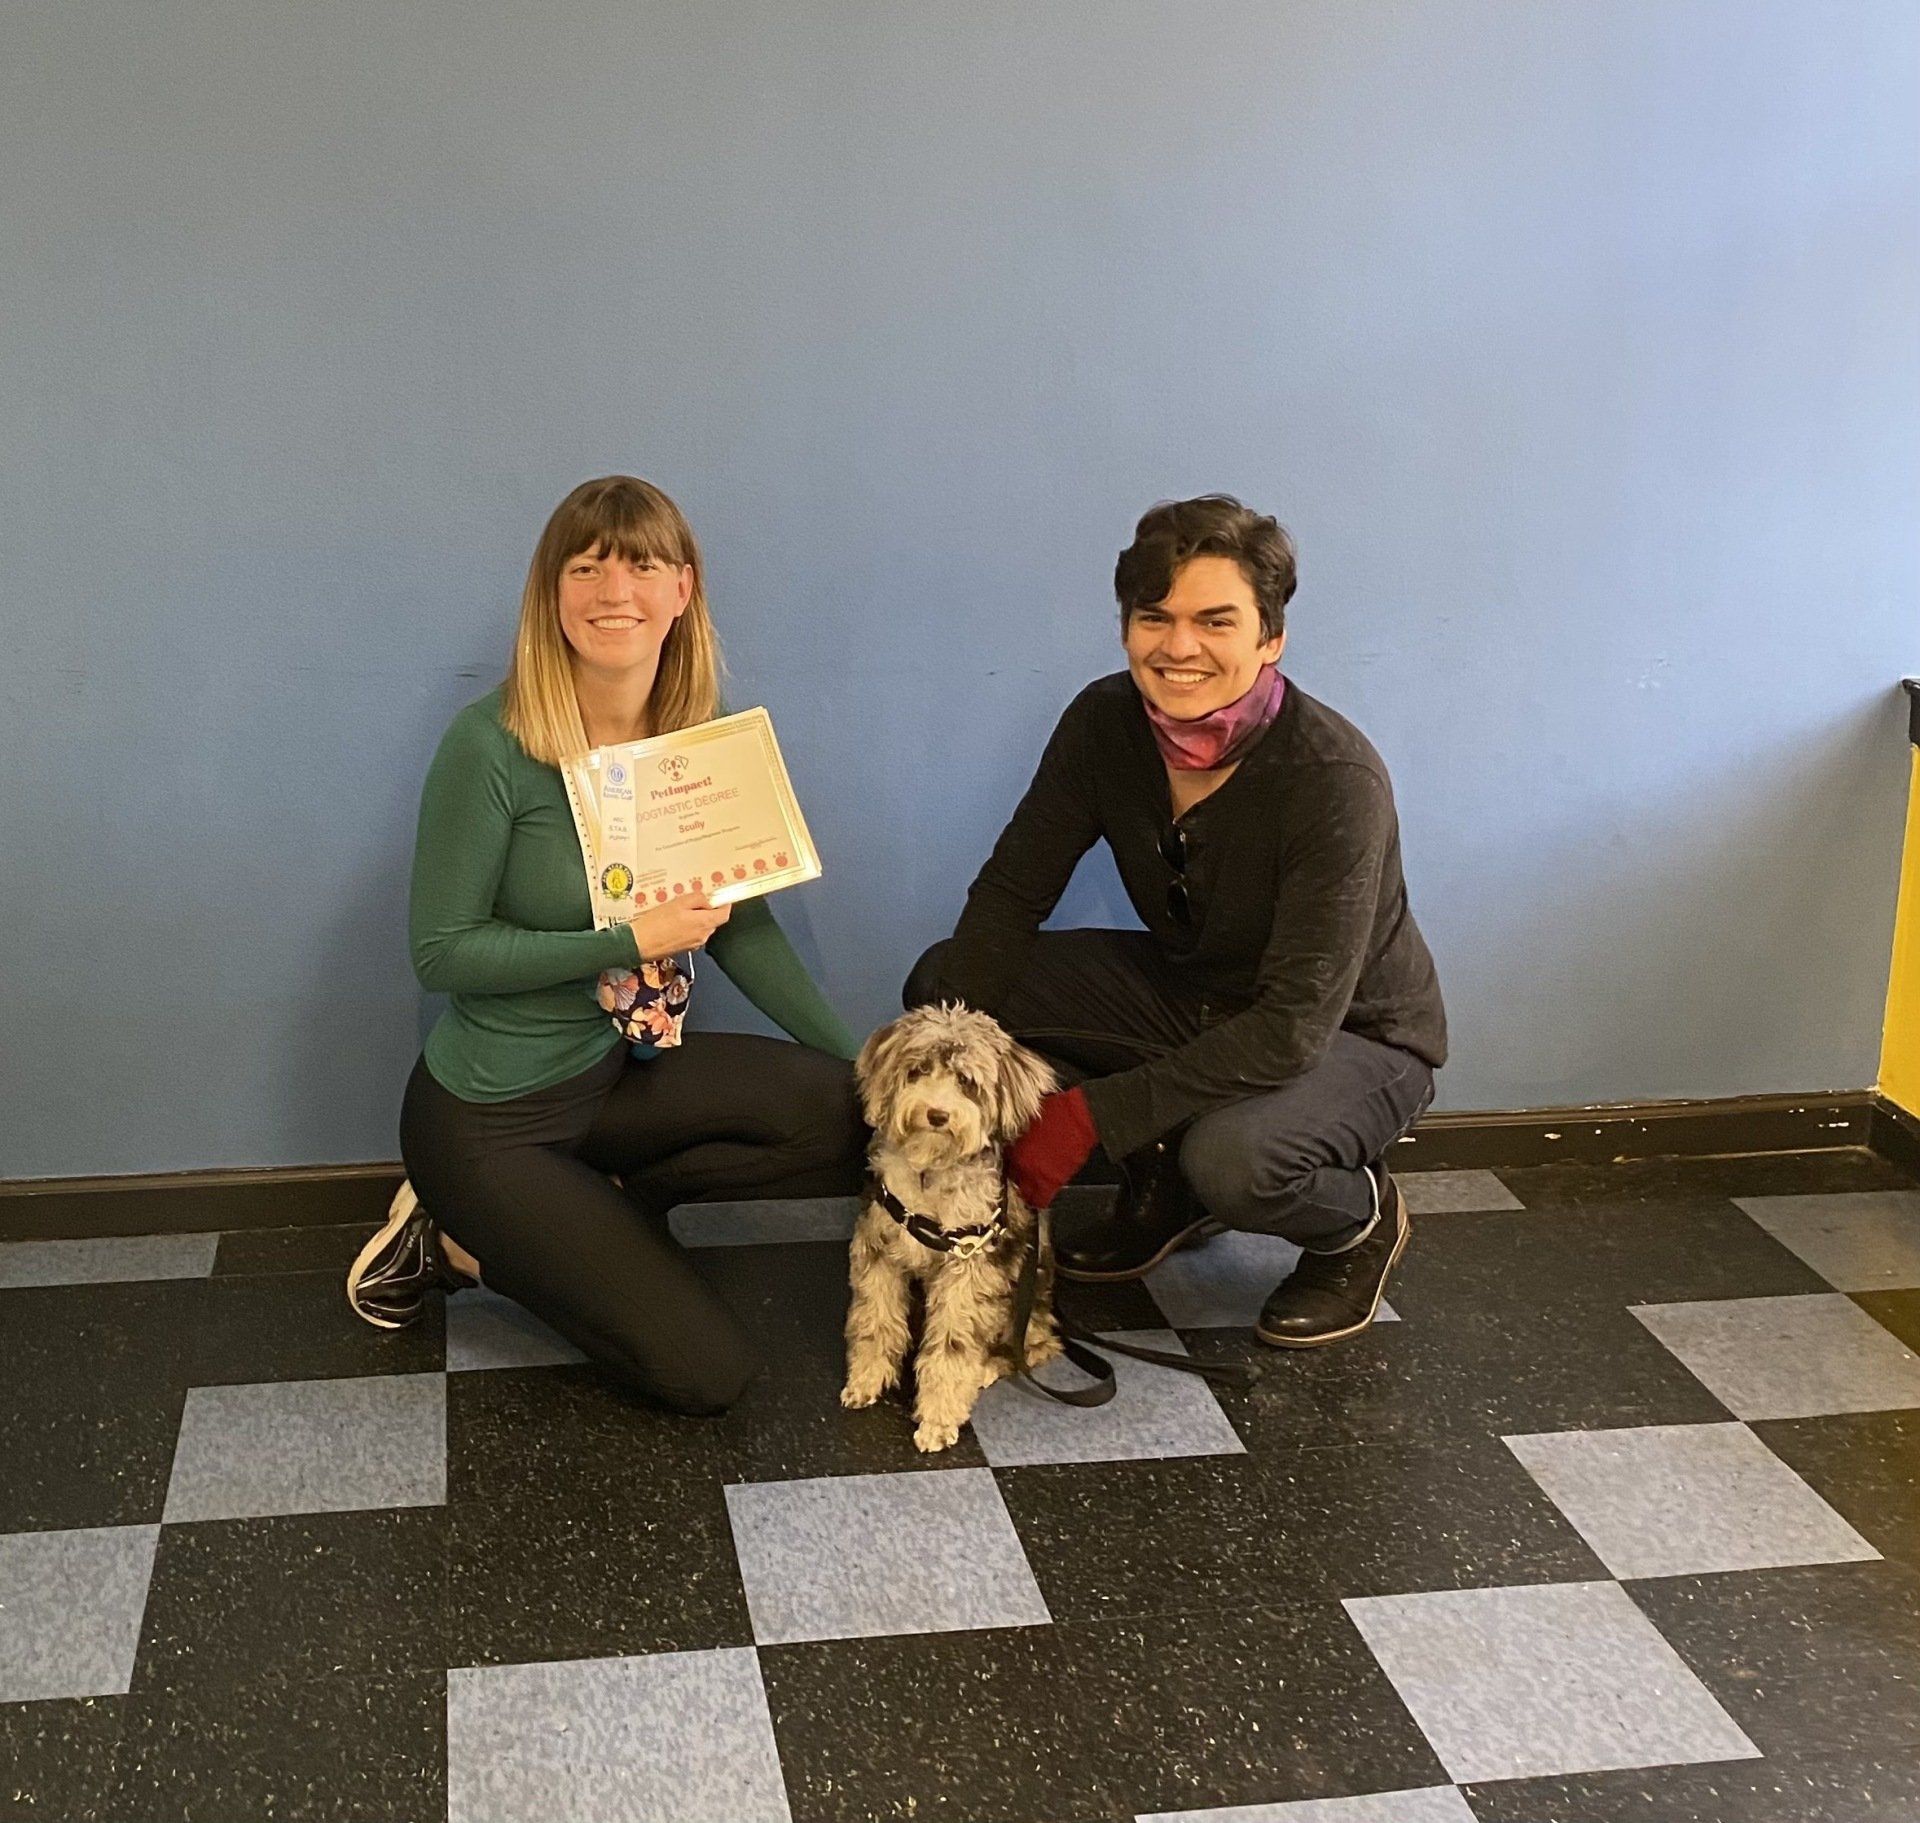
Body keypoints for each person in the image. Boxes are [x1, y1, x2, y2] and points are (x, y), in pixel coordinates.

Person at [347, 476, 866, 1412]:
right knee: (708, 1375)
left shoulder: (697, 744)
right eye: (585, 567)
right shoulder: (492, 745)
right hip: (489, 1117)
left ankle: (595, 1214)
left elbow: (739, 924)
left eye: (641, 565)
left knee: (851, 1107)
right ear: (553, 593)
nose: (613, 591)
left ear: (684, 589)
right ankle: (458, 1238)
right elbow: (443, 953)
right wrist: (627, 937)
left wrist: (874, 1062)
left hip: (616, 1076)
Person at [906, 495, 1446, 1348]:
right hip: (1191, 992)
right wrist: (939, 1062)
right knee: (950, 983)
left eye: (1215, 620)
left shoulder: (1334, 777)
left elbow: (1290, 1030)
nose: (1179, 645)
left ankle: (1357, 1222)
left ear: (1270, 637)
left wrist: (1084, 1119)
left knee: (1236, 1159)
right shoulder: (1103, 721)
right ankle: (1163, 1182)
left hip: (1354, 1033)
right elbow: (1013, 893)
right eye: (1154, 617)